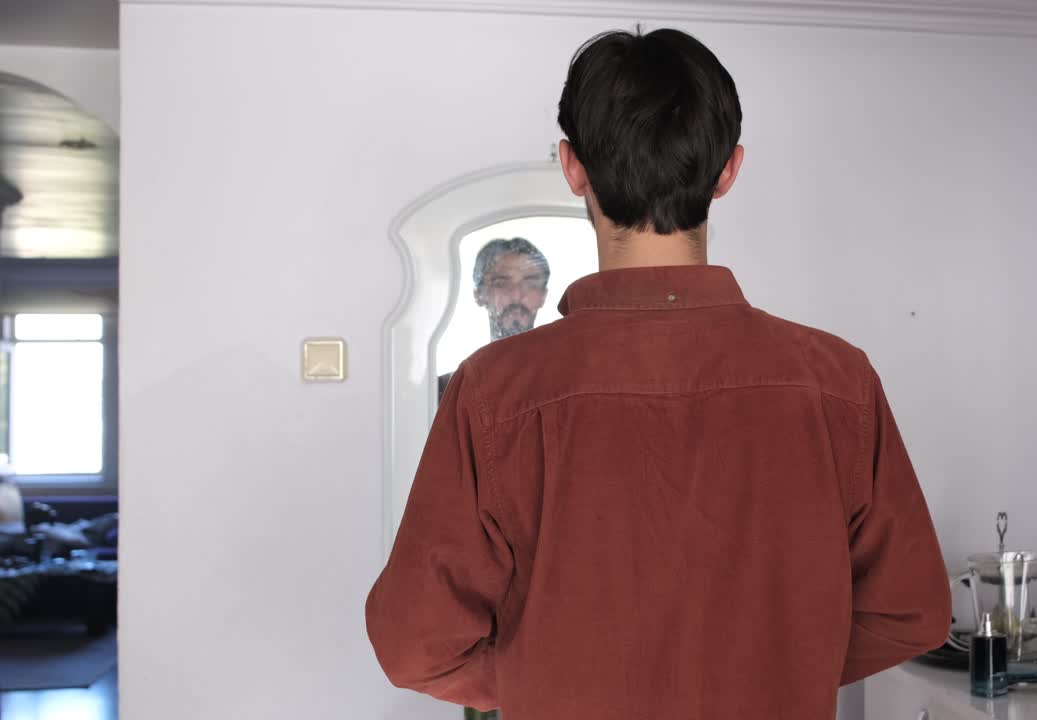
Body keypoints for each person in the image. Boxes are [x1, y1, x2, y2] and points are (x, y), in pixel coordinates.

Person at [367, 27, 950, 719]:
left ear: (572, 167)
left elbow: (416, 646)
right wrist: (779, 662)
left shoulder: (494, 391)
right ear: (728, 171)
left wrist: (546, 669)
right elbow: (911, 611)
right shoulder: (836, 382)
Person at [438, 237, 550, 401]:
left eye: (530, 284)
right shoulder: (447, 391)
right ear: (479, 294)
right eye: (501, 284)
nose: (516, 295)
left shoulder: (565, 386)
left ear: (543, 296)